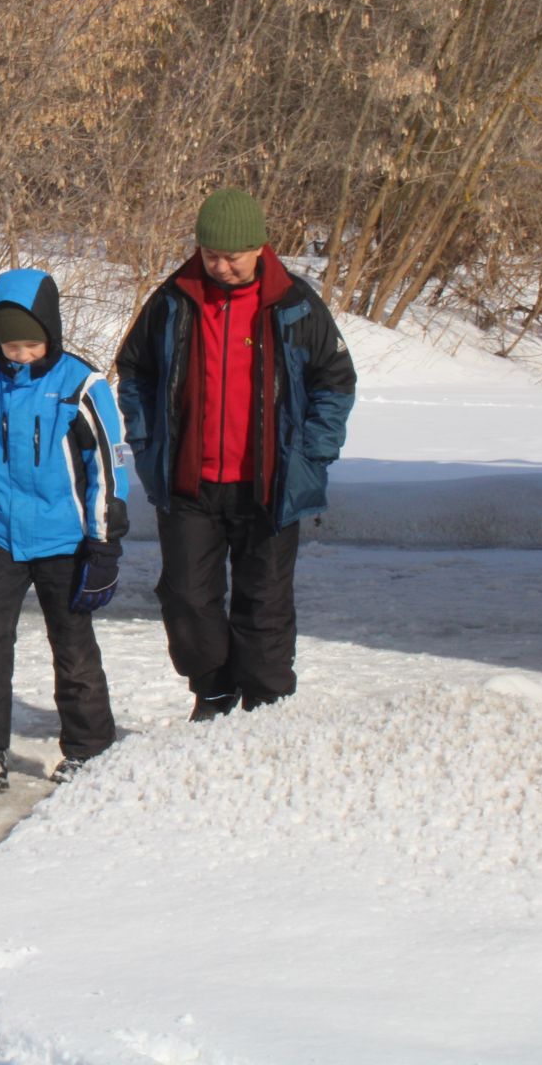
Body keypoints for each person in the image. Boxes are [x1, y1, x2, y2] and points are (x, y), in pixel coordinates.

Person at [115, 188, 356, 720]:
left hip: (268, 485)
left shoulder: (295, 304)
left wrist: (313, 455)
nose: (221, 267)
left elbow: (335, 382)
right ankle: (214, 690)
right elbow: (133, 369)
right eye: (210, 256)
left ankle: (266, 707)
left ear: (259, 248)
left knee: (264, 604)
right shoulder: (174, 299)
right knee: (186, 598)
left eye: (232, 257)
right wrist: (147, 440)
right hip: (189, 483)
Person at [0, 268, 130, 794]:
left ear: (52, 331)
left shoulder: (81, 386)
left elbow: (108, 472)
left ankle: (89, 749)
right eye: (8, 345)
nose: (19, 354)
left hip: (66, 542)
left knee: (72, 644)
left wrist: (104, 544)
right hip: (1, 537)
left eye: (30, 343)